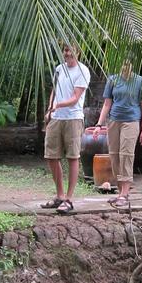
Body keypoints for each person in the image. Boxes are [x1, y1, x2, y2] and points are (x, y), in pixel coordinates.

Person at [89, 59, 142, 210]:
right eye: (123, 63)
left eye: (128, 63)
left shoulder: (141, 82)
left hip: (131, 121)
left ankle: (125, 194)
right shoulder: (112, 80)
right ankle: (120, 191)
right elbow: (107, 104)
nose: (125, 66)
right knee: (114, 155)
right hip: (114, 121)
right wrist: (99, 125)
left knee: (126, 154)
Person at [42, 43, 90, 215]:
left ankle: (69, 199)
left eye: (71, 51)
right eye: (65, 51)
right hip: (56, 117)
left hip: (73, 118)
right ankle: (60, 195)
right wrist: (50, 110)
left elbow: (76, 98)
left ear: (78, 53)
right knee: (51, 156)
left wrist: (57, 106)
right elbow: (54, 91)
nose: (68, 54)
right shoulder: (59, 69)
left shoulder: (82, 71)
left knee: (72, 157)